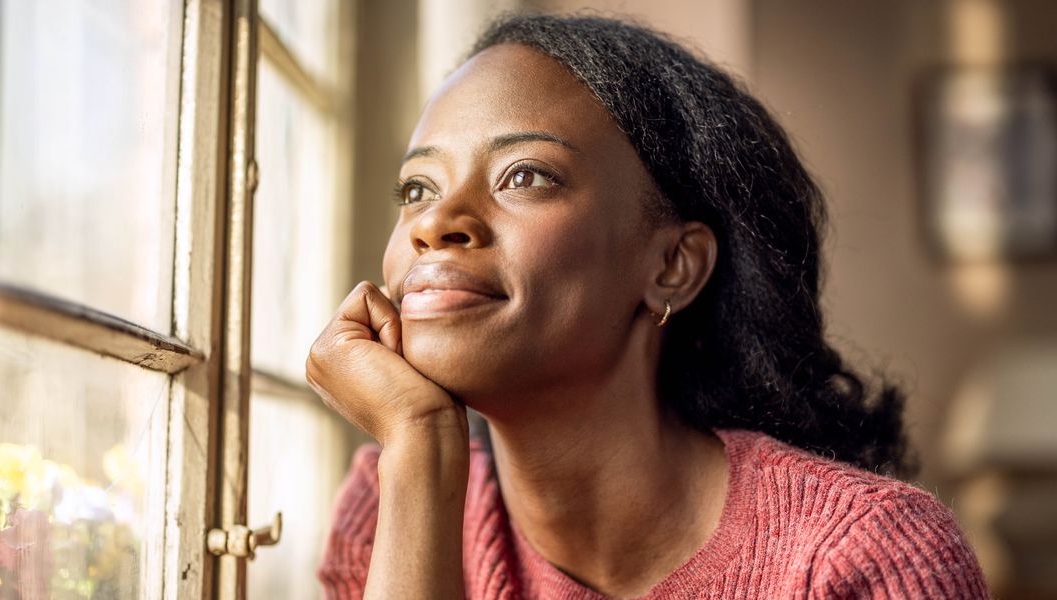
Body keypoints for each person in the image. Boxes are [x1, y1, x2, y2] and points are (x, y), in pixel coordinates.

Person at [306, 13, 989, 600]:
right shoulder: (394, 498)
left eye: (524, 176)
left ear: (672, 266)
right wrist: (420, 447)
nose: (435, 223)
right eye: (417, 188)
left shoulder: (860, 559)